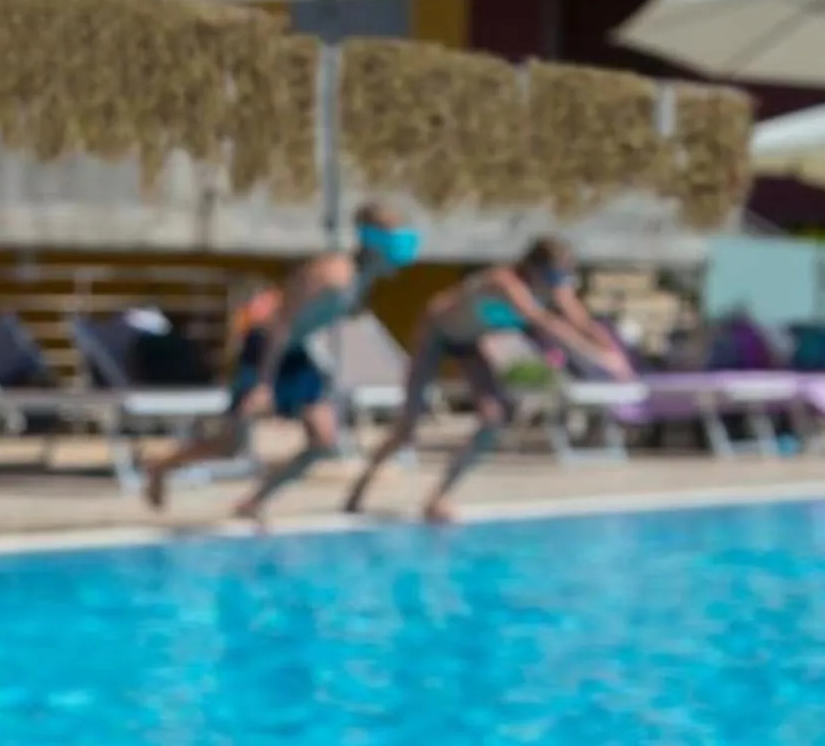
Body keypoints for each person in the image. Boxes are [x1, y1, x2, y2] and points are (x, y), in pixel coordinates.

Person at [141, 201, 422, 522]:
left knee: (323, 441)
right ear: (375, 244)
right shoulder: (333, 275)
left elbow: (312, 323)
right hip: (266, 348)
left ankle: (254, 502)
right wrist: (263, 382)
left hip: (295, 352)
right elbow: (281, 324)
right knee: (230, 445)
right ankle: (160, 467)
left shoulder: (360, 282)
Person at [341, 236, 636, 524]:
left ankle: (438, 497)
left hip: (469, 342)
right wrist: (598, 357)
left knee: (494, 419)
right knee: (408, 427)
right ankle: (360, 487)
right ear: (533, 268)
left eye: (563, 275)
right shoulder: (503, 282)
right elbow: (543, 322)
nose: (557, 283)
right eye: (554, 274)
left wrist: (615, 354)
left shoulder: (555, 289)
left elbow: (581, 321)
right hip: (435, 334)